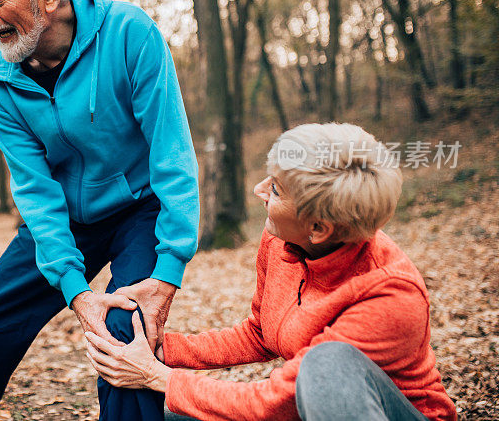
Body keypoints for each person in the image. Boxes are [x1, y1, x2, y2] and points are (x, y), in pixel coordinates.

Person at [0, 0, 200, 421]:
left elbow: (173, 158)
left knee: (127, 330)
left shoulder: (131, 36)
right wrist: (77, 293)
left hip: (138, 210)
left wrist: (168, 272)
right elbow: (34, 189)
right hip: (64, 216)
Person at [86, 123, 457, 421]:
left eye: (276, 189)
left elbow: (276, 402)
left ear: (318, 228)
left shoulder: (389, 296)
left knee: (326, 364)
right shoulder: (282, 240)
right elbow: (260, 334)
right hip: (300, 408)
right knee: (164, 413)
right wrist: (158, 350)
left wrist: (157, 376)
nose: (259, 190)